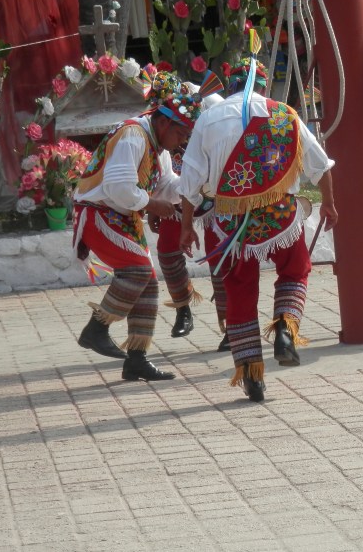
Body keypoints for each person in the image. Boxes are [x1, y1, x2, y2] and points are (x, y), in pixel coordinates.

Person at [178, 57, 337, 402]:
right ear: (263, 87)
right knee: (295, 269)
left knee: (239, 290)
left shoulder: (209, 118)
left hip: (229, 221)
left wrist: (187, 226)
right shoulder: (283, 114)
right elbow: (320, 164)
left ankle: (251, 373)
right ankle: (285, 329)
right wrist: (329, 203)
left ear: (231, 86)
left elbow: (189, 182)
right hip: (278, 215)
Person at [73, 72, 200, 381]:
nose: (183, 141)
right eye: (182, 133)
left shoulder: (157, 145)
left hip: (120, 216)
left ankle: (136, 359)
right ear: (164, 123)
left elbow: (167, 185)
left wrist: (194, 187)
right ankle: (97, 328)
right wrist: (153, 205)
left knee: (148, 282)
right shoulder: (133, 135)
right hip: (99, 213)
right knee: (139, 272)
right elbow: (119, 188)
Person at [148, 81, 229, 348]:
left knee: (220, 255)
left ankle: (230, 324)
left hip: (215, 194)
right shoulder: (159, 119)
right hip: (177, 190)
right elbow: (161, 162)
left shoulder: (214, 109)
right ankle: (183, 308)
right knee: (167, 250)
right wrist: (156, 201)